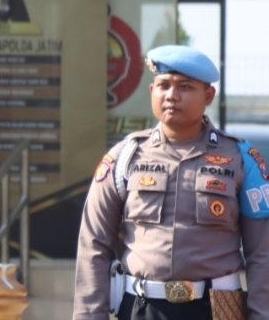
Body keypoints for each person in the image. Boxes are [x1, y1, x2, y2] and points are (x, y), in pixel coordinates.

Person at [73, 44, 269, 320]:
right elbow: (93, 243)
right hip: (142, 307)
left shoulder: (240, 158)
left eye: (185, 87)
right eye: (163, 85)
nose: (172, 96)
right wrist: (89, 315)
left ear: (208, 95)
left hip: (218, 309)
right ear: (152, 91)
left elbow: (263, 253)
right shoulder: (124, 157)